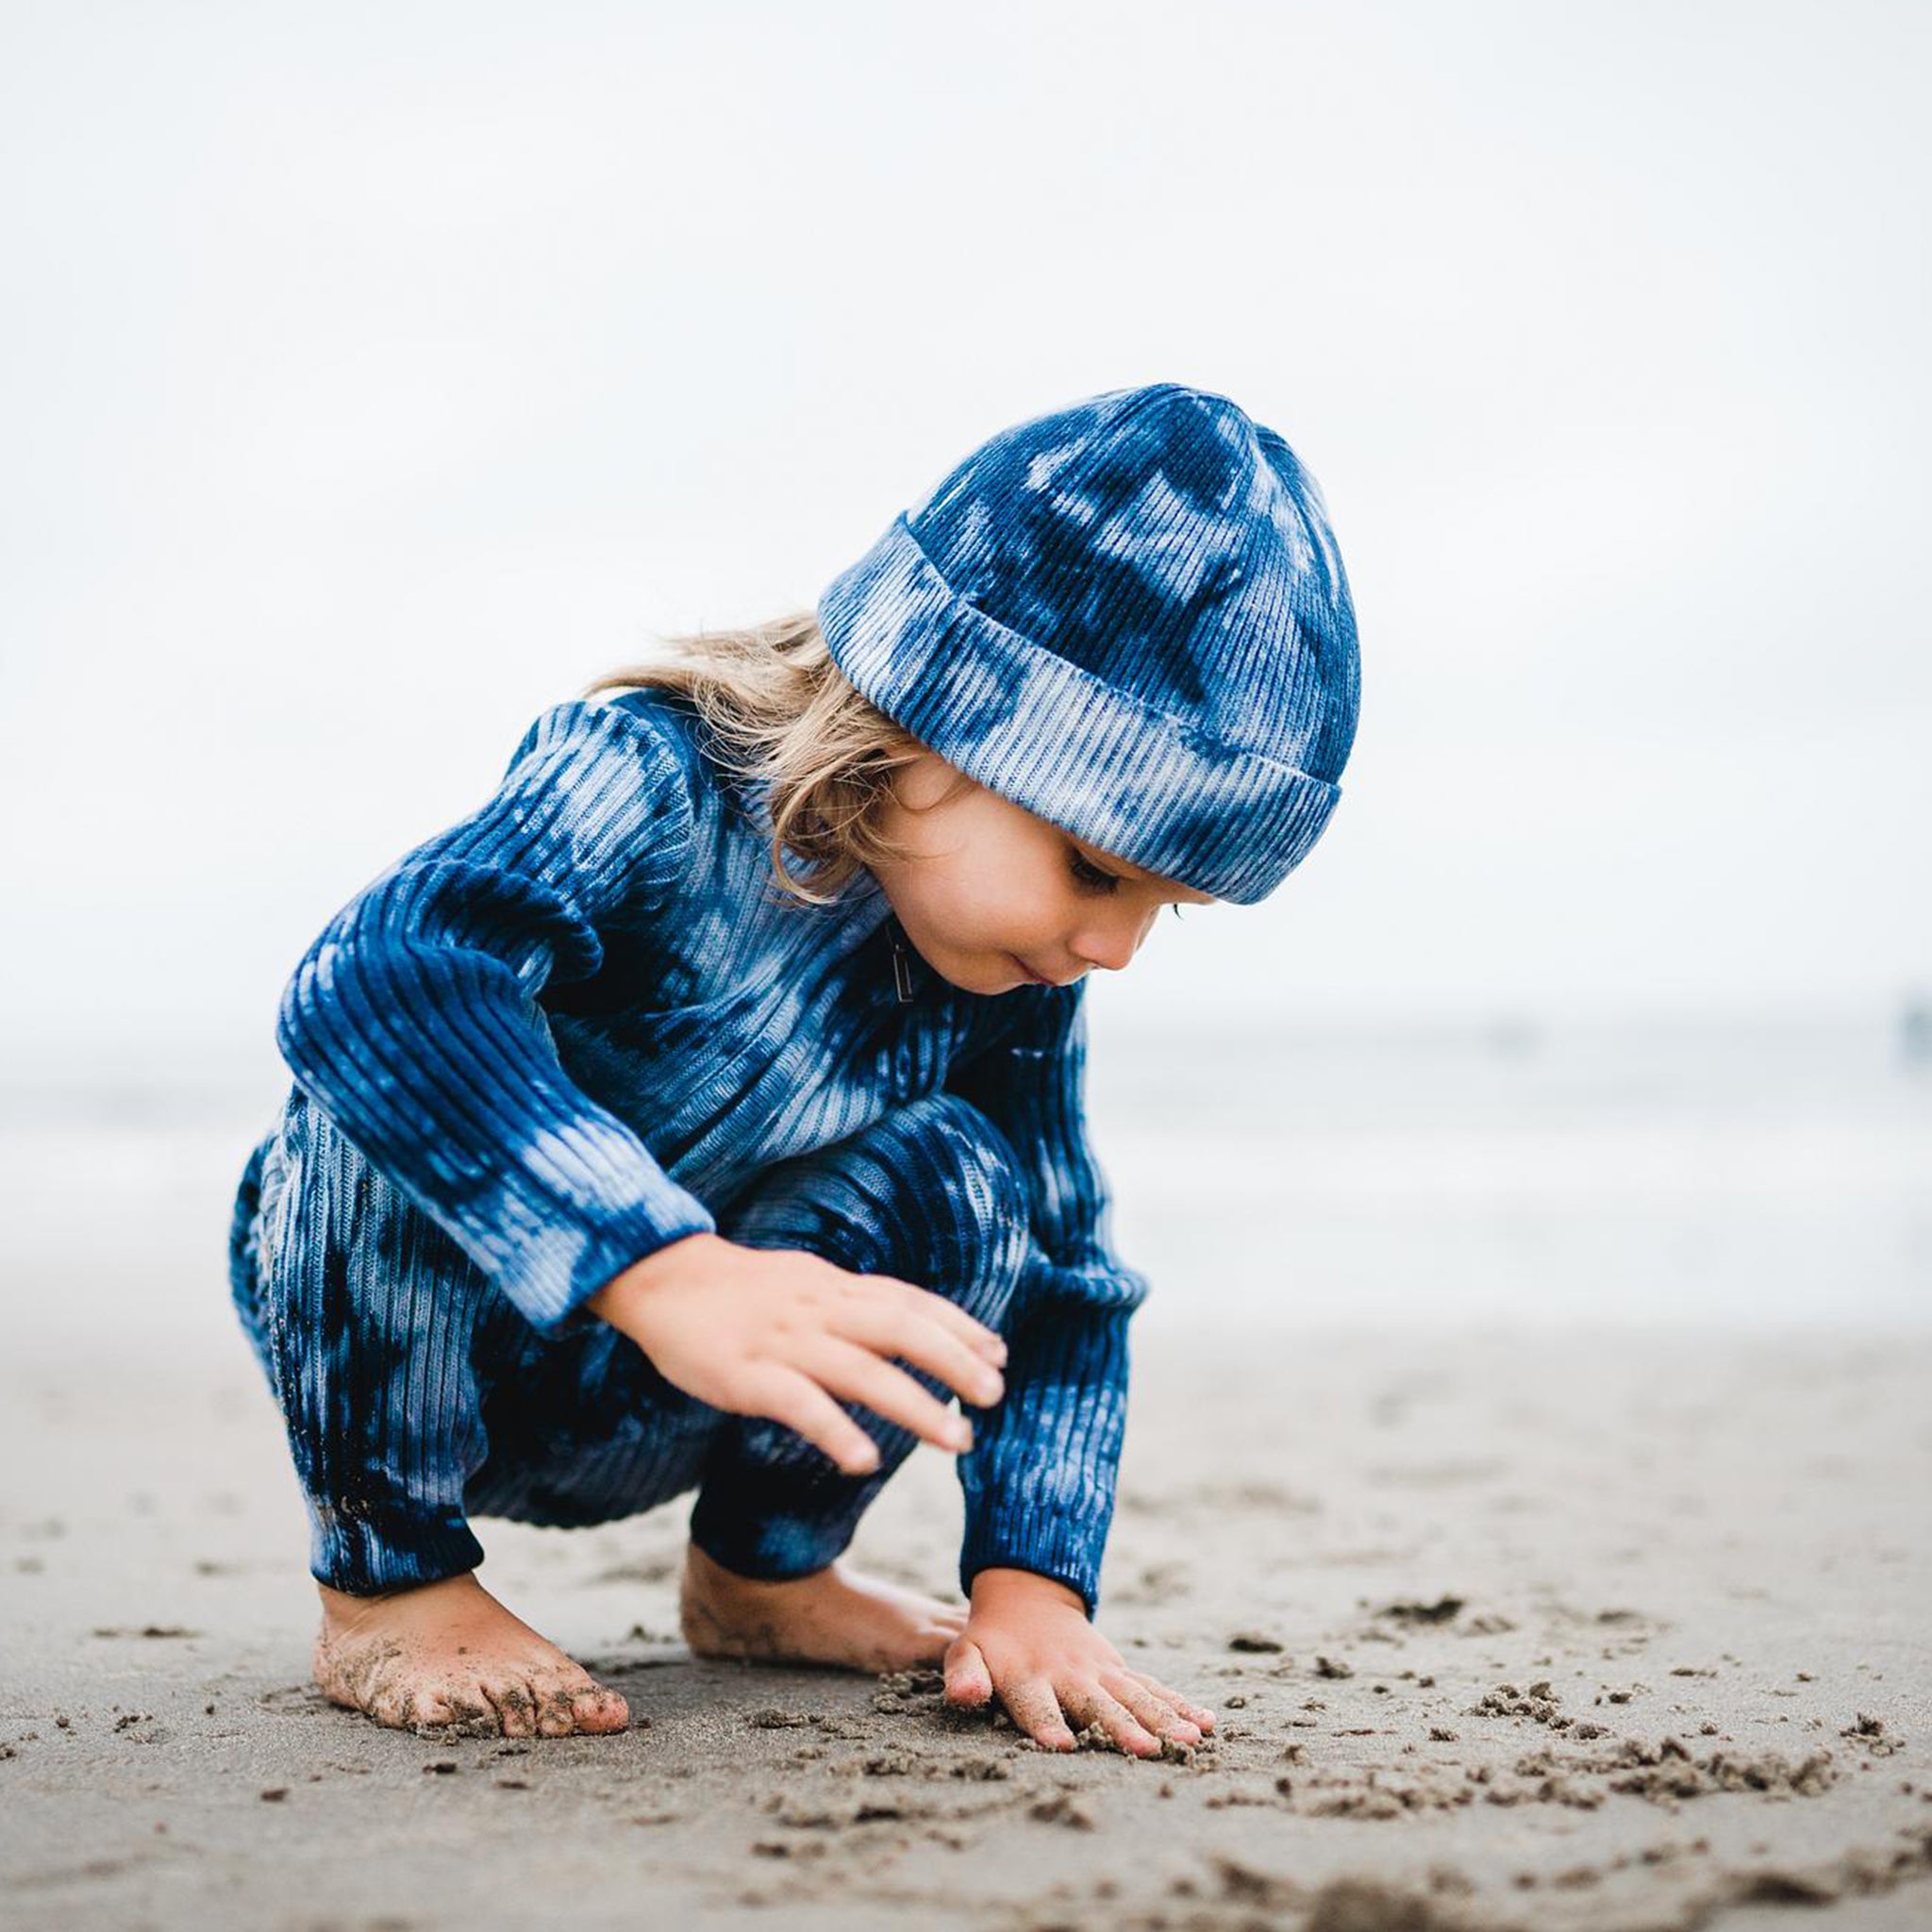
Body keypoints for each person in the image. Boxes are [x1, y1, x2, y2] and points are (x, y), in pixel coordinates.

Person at [225, 379, 1361, 1749]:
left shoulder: (995, 976)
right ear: (932, 718)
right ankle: (391, 1586)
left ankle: (765, 1573)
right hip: (427, 1349)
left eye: (1161, 911)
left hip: (685, 1400)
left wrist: (1032, 1585)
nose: (1113, 948)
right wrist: (659, 1266)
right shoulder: (641, 779)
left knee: (973, 1183)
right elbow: (376, 977)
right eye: (1096, 871)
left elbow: (1060, 1282)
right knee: (394, 1065)